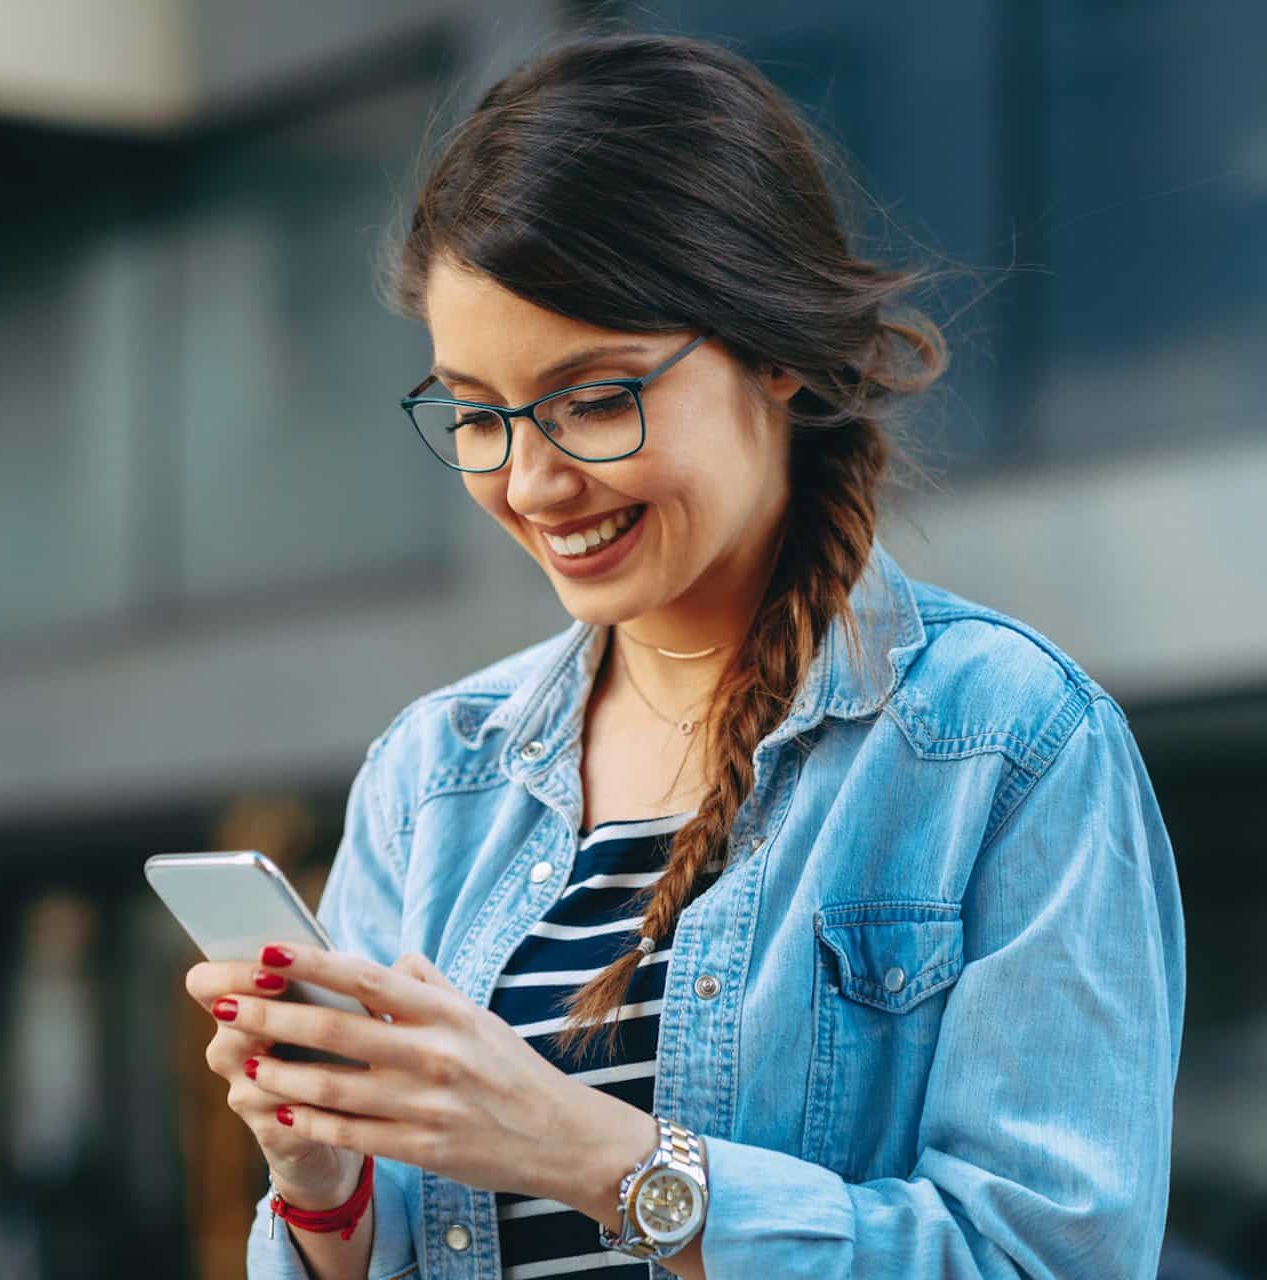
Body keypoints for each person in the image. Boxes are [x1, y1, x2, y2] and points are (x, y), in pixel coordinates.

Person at [183, 27, 1185, 1280]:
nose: (532, 480)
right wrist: (328, 1192)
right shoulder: (434, 776)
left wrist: (597, 1155)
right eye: (479, 415)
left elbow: (1052, 1261)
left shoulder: (1006, 744)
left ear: (771, 349)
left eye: (595, 398)